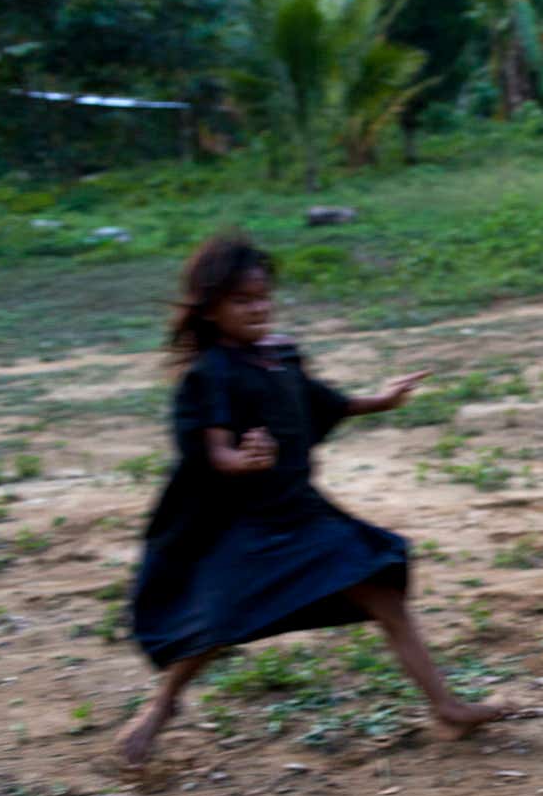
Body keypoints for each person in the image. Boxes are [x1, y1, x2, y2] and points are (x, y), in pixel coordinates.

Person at [118, 234, 503, 766]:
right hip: (246, 524)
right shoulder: (211, 375)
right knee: (218, 620)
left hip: (302, 512)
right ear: (208, 310)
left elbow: (320, 402)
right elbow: (215, 452)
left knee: (382, 591)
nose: (258, 309)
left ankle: (447, 707)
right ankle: (160, 707)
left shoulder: (280, 356)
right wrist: (243, 460)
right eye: (241, 301)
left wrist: (380, 401)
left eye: (263, 297)